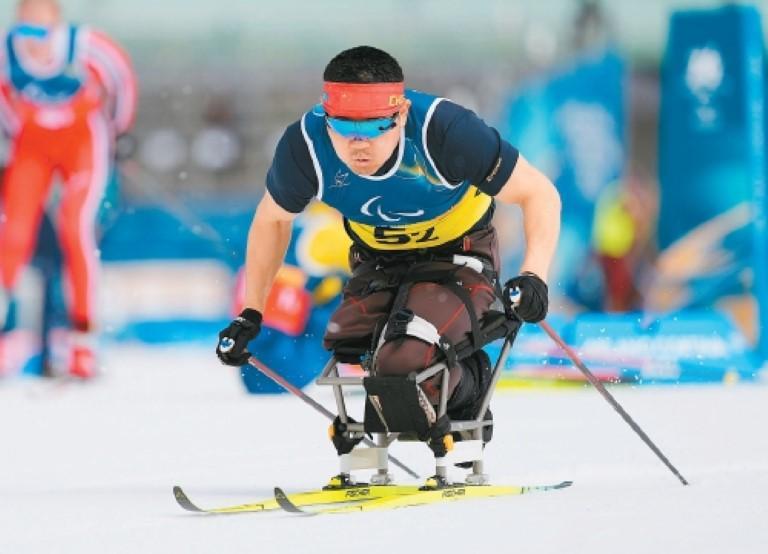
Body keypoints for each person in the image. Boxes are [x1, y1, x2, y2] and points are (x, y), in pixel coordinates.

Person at [217, 46, 560, 457]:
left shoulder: (444, 130)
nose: (358, 144)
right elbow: (271, 220)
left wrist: (534, 275)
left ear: (400, 114)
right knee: (346, 344)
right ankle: (392, 418)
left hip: (458, 256)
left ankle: (468, 391)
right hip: (377, 259)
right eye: (343, 126)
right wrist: (251, 313)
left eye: (375, 125)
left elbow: (539, 193)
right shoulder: (306, 145)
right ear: (326, 117)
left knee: (405, 361)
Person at [0, 0, 137, 378]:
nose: (34, 41)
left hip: (82, 143)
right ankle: (6, 336)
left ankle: (83, 344)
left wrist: (120, 131)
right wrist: (10, 134)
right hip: (33, 146)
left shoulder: (85, 46)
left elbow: (121, 78)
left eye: (41, 30)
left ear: (57, 24)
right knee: (13, 236)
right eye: (26, 29)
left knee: (75, 230)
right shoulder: (7, 52)